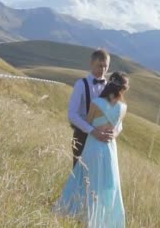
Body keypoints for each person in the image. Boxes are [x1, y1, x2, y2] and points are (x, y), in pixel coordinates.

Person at [54, 71, 129, 228]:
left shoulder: (96, 103)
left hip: (94, 145)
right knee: (106, 184)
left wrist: (96, 130)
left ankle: (77, 214)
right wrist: (113, 133)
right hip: (110, 149)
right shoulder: (123, 107)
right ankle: (103, 220)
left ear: (109, 85)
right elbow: (118, 127)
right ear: (122, 90)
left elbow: (88, 123)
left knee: (85, 180)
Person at [68, 49, 114, 168]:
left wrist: (114, 133)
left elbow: (116, 115)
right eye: (100, 65)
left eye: (106, 66)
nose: (103, 70)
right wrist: (92, 131)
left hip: (103, 139)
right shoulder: (81, 84)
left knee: (97, 176)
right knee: (79, 174)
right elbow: (72, 115)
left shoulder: (110, 87)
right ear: (91, 63)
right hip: (82, 136)